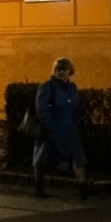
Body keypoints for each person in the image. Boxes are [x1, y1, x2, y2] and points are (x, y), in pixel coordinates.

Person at [33, 57, 90, 198]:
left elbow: (75, 108)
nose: (61, 72)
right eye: (58, 69)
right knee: (42, 158)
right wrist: (49, 125)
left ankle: (83, 188)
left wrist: (75, 122)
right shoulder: (47, 87)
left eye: (64, 69)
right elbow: (41, 108)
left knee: (77, 157)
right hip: (52, 128)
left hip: (69, 128)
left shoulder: (72, 88)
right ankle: (38, 186)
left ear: (70, 71)